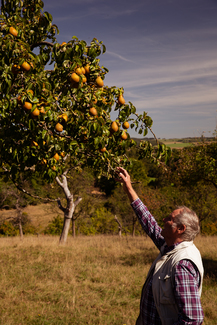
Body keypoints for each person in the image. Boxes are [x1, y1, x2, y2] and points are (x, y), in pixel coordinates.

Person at [116, 167, 204, 325]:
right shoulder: (170, 247)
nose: (163, 219)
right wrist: (128, 187)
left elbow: (192, 319)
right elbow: (148, 222)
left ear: (180, 229)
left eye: (169, 219)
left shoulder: (182, 265)